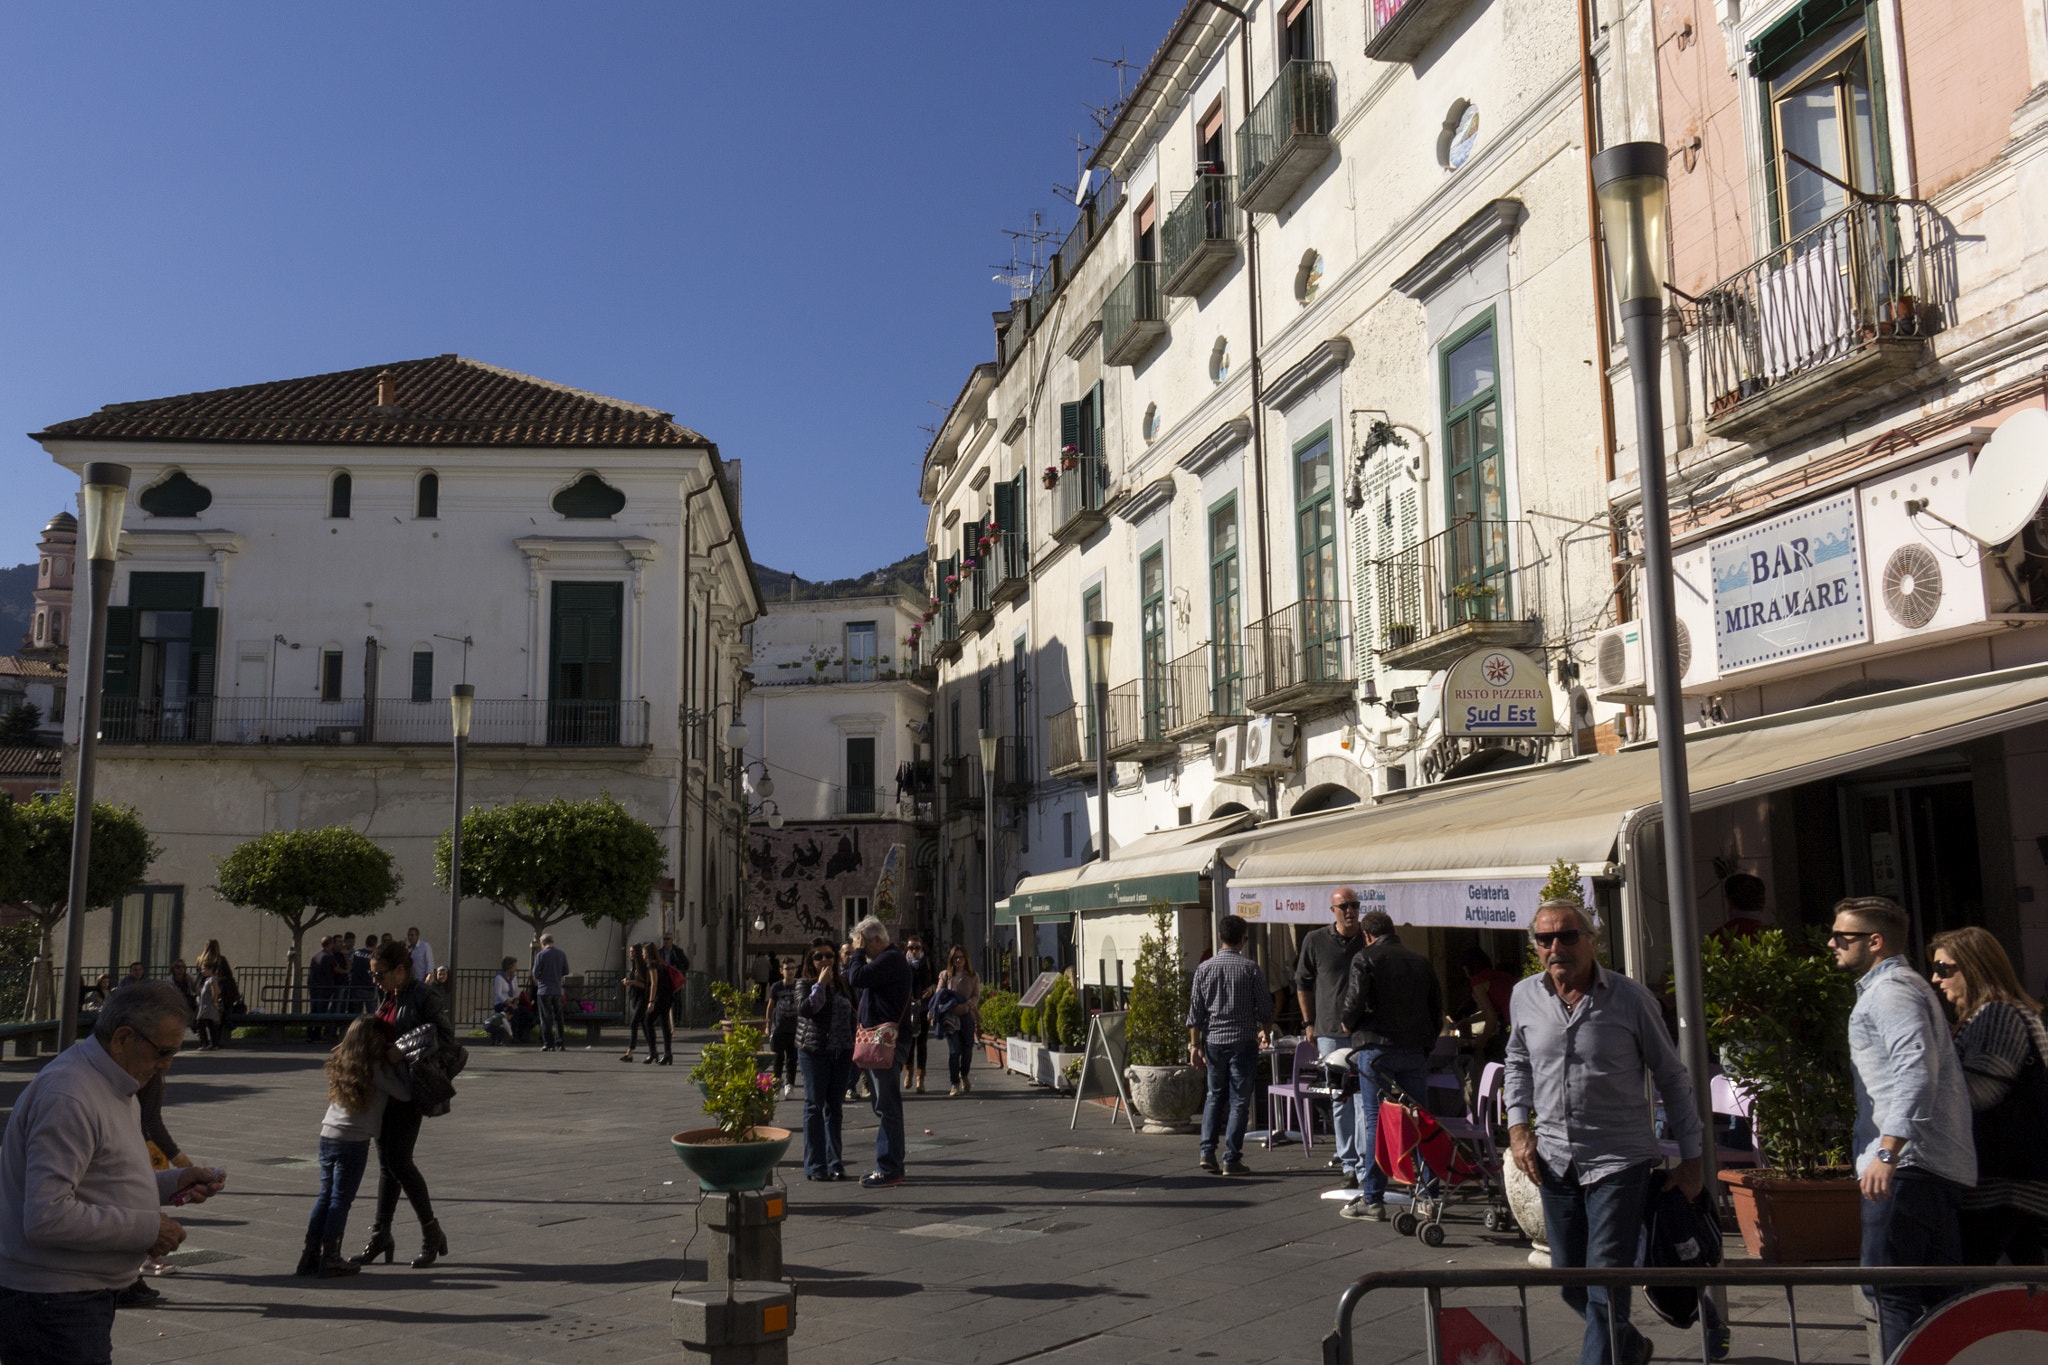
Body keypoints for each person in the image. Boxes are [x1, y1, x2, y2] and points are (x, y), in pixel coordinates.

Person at [1505, 898, 1702, 1365]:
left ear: (1593, 942)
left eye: (1568, 936)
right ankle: (1629, 1345)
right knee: (1570, 1281)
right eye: (1545, 938)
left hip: (1619, 1162)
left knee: (1605, 1281)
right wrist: (1518, 1127)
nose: (1556, 947)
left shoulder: (1631, 1000)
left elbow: (1671, 1075)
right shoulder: (1524, 996)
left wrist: (1693, 1159)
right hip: (1553, 1160)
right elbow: (1517, 1061)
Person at [0, 982, 225, 1360]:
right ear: (123, 1038)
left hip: (71, 1295)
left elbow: (101, 1178)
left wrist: (174, 1182)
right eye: (164, 1051)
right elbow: (46, 1216)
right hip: (51, 1300)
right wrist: (148, 1229)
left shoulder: (113, 1081)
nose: (167, 1064)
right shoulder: (70, 1095)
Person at [1831, 896, 1976, 1357]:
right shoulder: (1901, 988)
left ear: (1875, 942)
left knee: (1890, 1292)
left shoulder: (1891, 991)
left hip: (1908, 1167)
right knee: (1936, 1299)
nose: (1831, 943)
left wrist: (1888, 1151)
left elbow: (1915, 1070)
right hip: (1929, 1166)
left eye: (1842, 937)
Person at [1929, 926, 2048, 1265]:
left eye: (1943, 968)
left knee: (1970, 1268)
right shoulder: (2001, 1014)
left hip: (2002, 1177)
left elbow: (1978, 1092)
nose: (1936, 980)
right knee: (2026, 1271)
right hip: (2015, 1173)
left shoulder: (1996, 1014)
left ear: (1974, 967)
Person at [1338, 909, 1446, 1220]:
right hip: (1413, 1051)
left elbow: (1353, 1002)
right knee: (1421, 1120)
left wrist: (1348, 1023)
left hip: (1377, 1049)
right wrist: (1424, 1046)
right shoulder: (1420, 961)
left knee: (1376, 1122)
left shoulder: (1365, 957)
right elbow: (1435, 1010)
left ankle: (1373, 1198)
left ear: (1367, 936)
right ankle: (1430, 1195)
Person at [352, 940, 453, 1270]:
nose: (375, 980)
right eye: (373, 975)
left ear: (400, 970)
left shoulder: (424, 996)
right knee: (387, 1166)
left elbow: (444, 1037)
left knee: (399, 1161)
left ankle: (431, 1231)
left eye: (379, 974)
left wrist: (404, 1049)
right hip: (384, 1092)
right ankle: (382, 1235)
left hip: (409, 1091)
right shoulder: (389, 994)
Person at [302, 1016, 410, 1279]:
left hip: (327, 1134)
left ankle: (309, 1256)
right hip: (353, 1140)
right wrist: (397, 1058)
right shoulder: (376, 1067)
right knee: (340, 1199)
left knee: (325, 1195)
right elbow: (405, 1093)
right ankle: (331, 1258)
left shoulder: (344, 1061)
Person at [1187, 914, 1272, 1177]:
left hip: (1213, 1041)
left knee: (1214, 1096)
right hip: (1243, 1041)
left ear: (1220, 937)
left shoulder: (1204, 969)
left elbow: (1195, 1014)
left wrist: (1194, 1046)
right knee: (1239, 1101)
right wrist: (1265, 1032)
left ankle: (1206, 1151)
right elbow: (1266, 1009)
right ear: (1243, 939)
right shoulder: (1251, 969)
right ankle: (1231, 1159)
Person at [1295, 888, 1368, 1187]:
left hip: (1363, 1031)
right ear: (1333, 910)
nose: (1350, 911)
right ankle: (1348, 1163)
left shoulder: (1368, 939)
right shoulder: (1315, 940)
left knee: (1365, 1100)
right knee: (1340, 1098)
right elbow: (1303, 982)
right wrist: (1308, 1023)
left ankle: (1366, 1165)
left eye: (1354, 906)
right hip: (1328, 1031)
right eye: (1344, 907)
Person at [844, 916, 913, 1189]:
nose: (858, 949)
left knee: (887, 1107)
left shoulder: (891, 959)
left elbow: (856, 977)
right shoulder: (887, 961)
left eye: (861, 943)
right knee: (883, 1105)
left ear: (874, 941)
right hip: (879, 1042)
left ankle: (889, 1168)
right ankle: (892, 1163)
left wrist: (858, 953)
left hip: (887, 1043)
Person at [796, 944, 856, 1181]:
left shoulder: (843, 983)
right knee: (814, 1106)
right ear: (810, 960)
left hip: (841, 1052)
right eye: (818, 956)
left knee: (835, 1108)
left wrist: (853, 1044)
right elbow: (805, 1009)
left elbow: (854, 1012)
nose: (824, 960)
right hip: (814, 1051)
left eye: (829, 956)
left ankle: (835, 1163)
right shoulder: (804, 983)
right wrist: (820, 984)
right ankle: (815, 1166)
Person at [935, 944, 980, 1096]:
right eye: (955, 958)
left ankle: (964, 1075)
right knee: (954, 1051)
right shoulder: (945, 975)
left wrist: (967, 1005)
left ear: (966, 959)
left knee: (967, 1049)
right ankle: (954, 1084)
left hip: (966, 1015)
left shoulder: (973, 976)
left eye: (961, 957)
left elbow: (976, 996)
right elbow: (939, 994)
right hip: (950, 1016)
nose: (958, 960)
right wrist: (948, 1004)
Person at [899, 936, 935, 1095]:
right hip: (907, 1008)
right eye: (910, 948)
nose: (913, 951)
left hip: (923, 1007)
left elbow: (937, 981)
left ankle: (921, 1077)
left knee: (922, 1044)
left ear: (922, 948)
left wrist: (932, 989)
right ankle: (909, 1072)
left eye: (917, 948)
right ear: (906, 949)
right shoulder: (902, 963)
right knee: (908, 1043)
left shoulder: (927, 963)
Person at [765, 958, 802, 1096]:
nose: (790, 971)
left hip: (795, 1028)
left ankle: (790, 1085)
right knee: (778, 1059)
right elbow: (770, 1006)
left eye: (793, 968)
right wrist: (768, 1025)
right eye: (787, 969)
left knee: (792, 1059)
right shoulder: (777, 987)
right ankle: (776, 1084)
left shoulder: (799, 985)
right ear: (781, 971)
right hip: (779, 1028)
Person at [533, 935, 570, 1052]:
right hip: (557, 990)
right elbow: (566, 971)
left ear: (543, 943)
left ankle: (548, 1044)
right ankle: (560, 1043)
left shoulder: (541, 955)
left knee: (545, 1017)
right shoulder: (561, 954)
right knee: (559, 1017)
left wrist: (541, 976)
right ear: (553, 942)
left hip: (544, 990)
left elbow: (535, 972)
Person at [644, 943, 676, 1065]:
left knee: (648, 1021)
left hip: (659, 998)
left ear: (647, 952)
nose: (642, 954)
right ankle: (668, 1053)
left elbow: (654, 983)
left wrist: (651, 1001)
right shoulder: (661, 964)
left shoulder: (651, 964)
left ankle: (653, 1052)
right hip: (667, 997)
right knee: (665, 1025)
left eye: (643, 952)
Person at [621, 945, 652, 1063]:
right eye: (630, 952)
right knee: (645, 1026)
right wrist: (628, 981)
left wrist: (632, 982)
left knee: (633, 1023)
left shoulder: (644, 966)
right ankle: (652, 1050)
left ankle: (629, 1052)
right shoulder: (634, 966)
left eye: (633, 952)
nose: (631, 954)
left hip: (643, 998)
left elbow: (645, 985)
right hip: (635, 997)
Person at [308, 936, 338, 1042]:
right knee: (321, 1011)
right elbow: (331, 972)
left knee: (314, 1010)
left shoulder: (316, 955)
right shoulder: (327, 957)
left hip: (314, 987)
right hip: (323, 988)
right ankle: (316, 1034)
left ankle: (310, 1034)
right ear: (330, 944)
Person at [660, 933, 691, 1027]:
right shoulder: (660, 952)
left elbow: (686, 963)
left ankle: (677, 1020)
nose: (666, 941)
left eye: (668, 939)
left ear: (672, 940)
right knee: (664, 999)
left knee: (677, 999)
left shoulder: (677, 952)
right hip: (664, 978)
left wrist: (680, 973)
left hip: (674, 978)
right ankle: (665, 1019)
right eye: (665, 939)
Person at [194, 965, 223, 1051]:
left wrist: (214, 1001)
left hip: (208, 1007)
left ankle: (205, 1043)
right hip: (206, 1006)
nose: (202, 971)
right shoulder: (208, 980)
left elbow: (215, 991)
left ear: (210, 969)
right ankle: (213, 1043)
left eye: (204, 969)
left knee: (201, 1023)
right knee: (210, 1025)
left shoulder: (211, 980)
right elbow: (218, 990)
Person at [349, 934, 375, 1011]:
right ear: (375, 943)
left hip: (356, 987)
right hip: (369, 987)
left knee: (357, 1013)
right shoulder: (374, 956)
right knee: (371, 1013)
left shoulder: (357, 953)